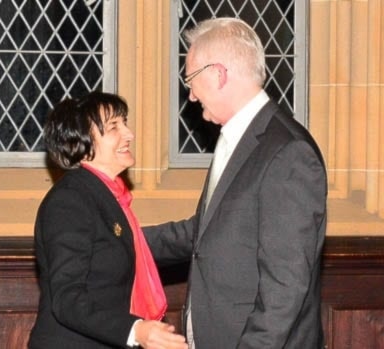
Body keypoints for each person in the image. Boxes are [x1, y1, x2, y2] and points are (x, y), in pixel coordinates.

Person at [143, 17, 327, 349]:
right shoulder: (239, 140)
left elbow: (284, 288)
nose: (191, 95)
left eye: (191, 80)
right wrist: (122, 237)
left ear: (218, 73)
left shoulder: (288, 152)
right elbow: (204, 233)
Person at [28, 91, 188, 349]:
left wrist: (211, 227)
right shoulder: (70, 200)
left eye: (124, 123)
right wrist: (136, 330)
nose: (129, 134)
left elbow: (138, 246)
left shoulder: (105, 196)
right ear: (80, 142)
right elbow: (67, 299)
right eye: (114, 127)